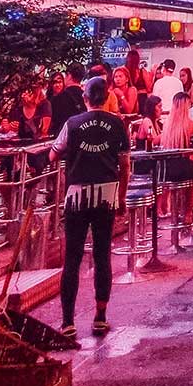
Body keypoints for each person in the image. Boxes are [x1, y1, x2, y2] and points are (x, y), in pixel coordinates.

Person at [49, 75, 129, 340]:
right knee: (102, 254)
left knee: (72, 258)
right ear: (107, 98)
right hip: (107, 194)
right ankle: (100, 317)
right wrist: (122, 197)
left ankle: (67, 322)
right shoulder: (118, 124)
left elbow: (53, 153)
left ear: (85, 98)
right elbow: (125, 165)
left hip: (76, 195)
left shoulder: (72, 123)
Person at [159, 93, 193, 223]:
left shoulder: (167, 124)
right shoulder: (191, 124)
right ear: (187, 106)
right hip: (183, 168)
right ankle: (189, 211)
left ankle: (181, 208)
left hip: (166, 168)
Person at [49, 62, 87, 137]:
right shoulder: (87, 97)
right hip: (83, 137)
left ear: (69, 75)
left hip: (64, 139)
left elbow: (54, 121)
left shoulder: (58, 98)